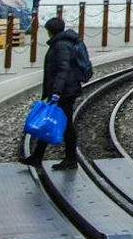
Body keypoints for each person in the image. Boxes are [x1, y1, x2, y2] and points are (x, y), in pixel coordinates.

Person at [25, 16, 92, 170]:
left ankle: (70, 159)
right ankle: (38, 156)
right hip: (66, 88)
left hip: (65, 91)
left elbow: (63, 69)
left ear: (50, 31)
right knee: (50, 119)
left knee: (65, 124)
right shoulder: (62, 42)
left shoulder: (61, 45)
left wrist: (56, 92)